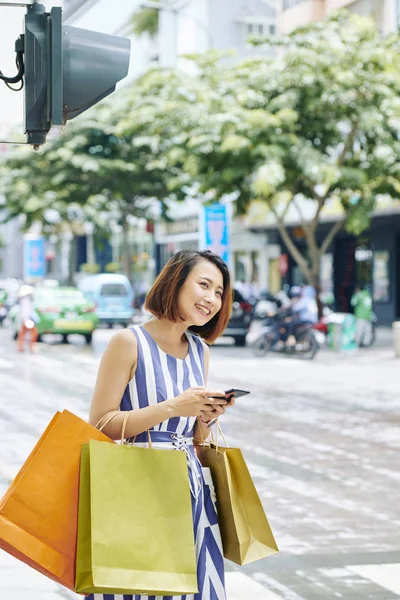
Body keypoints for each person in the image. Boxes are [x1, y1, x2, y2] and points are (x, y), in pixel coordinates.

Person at [88, 249, 234, 600]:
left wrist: (206, 418)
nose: (212, 299)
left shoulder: (201, 350)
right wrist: (172, 407)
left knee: (190, 589)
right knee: (136, 586)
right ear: (176, 282)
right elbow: (101, 423)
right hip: (137, 488)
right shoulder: (128, 342)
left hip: (190, 494)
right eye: (204, 285)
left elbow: (195, 443)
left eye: (219, 292)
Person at [16, 284, 39, 352]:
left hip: (26, 319)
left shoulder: (25, 300)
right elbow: (25, 311)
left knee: (22, 333)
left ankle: (21, 347)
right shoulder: (26, 300)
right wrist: (27, 320)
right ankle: (31, 346)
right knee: (34, 332)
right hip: (27, 319)